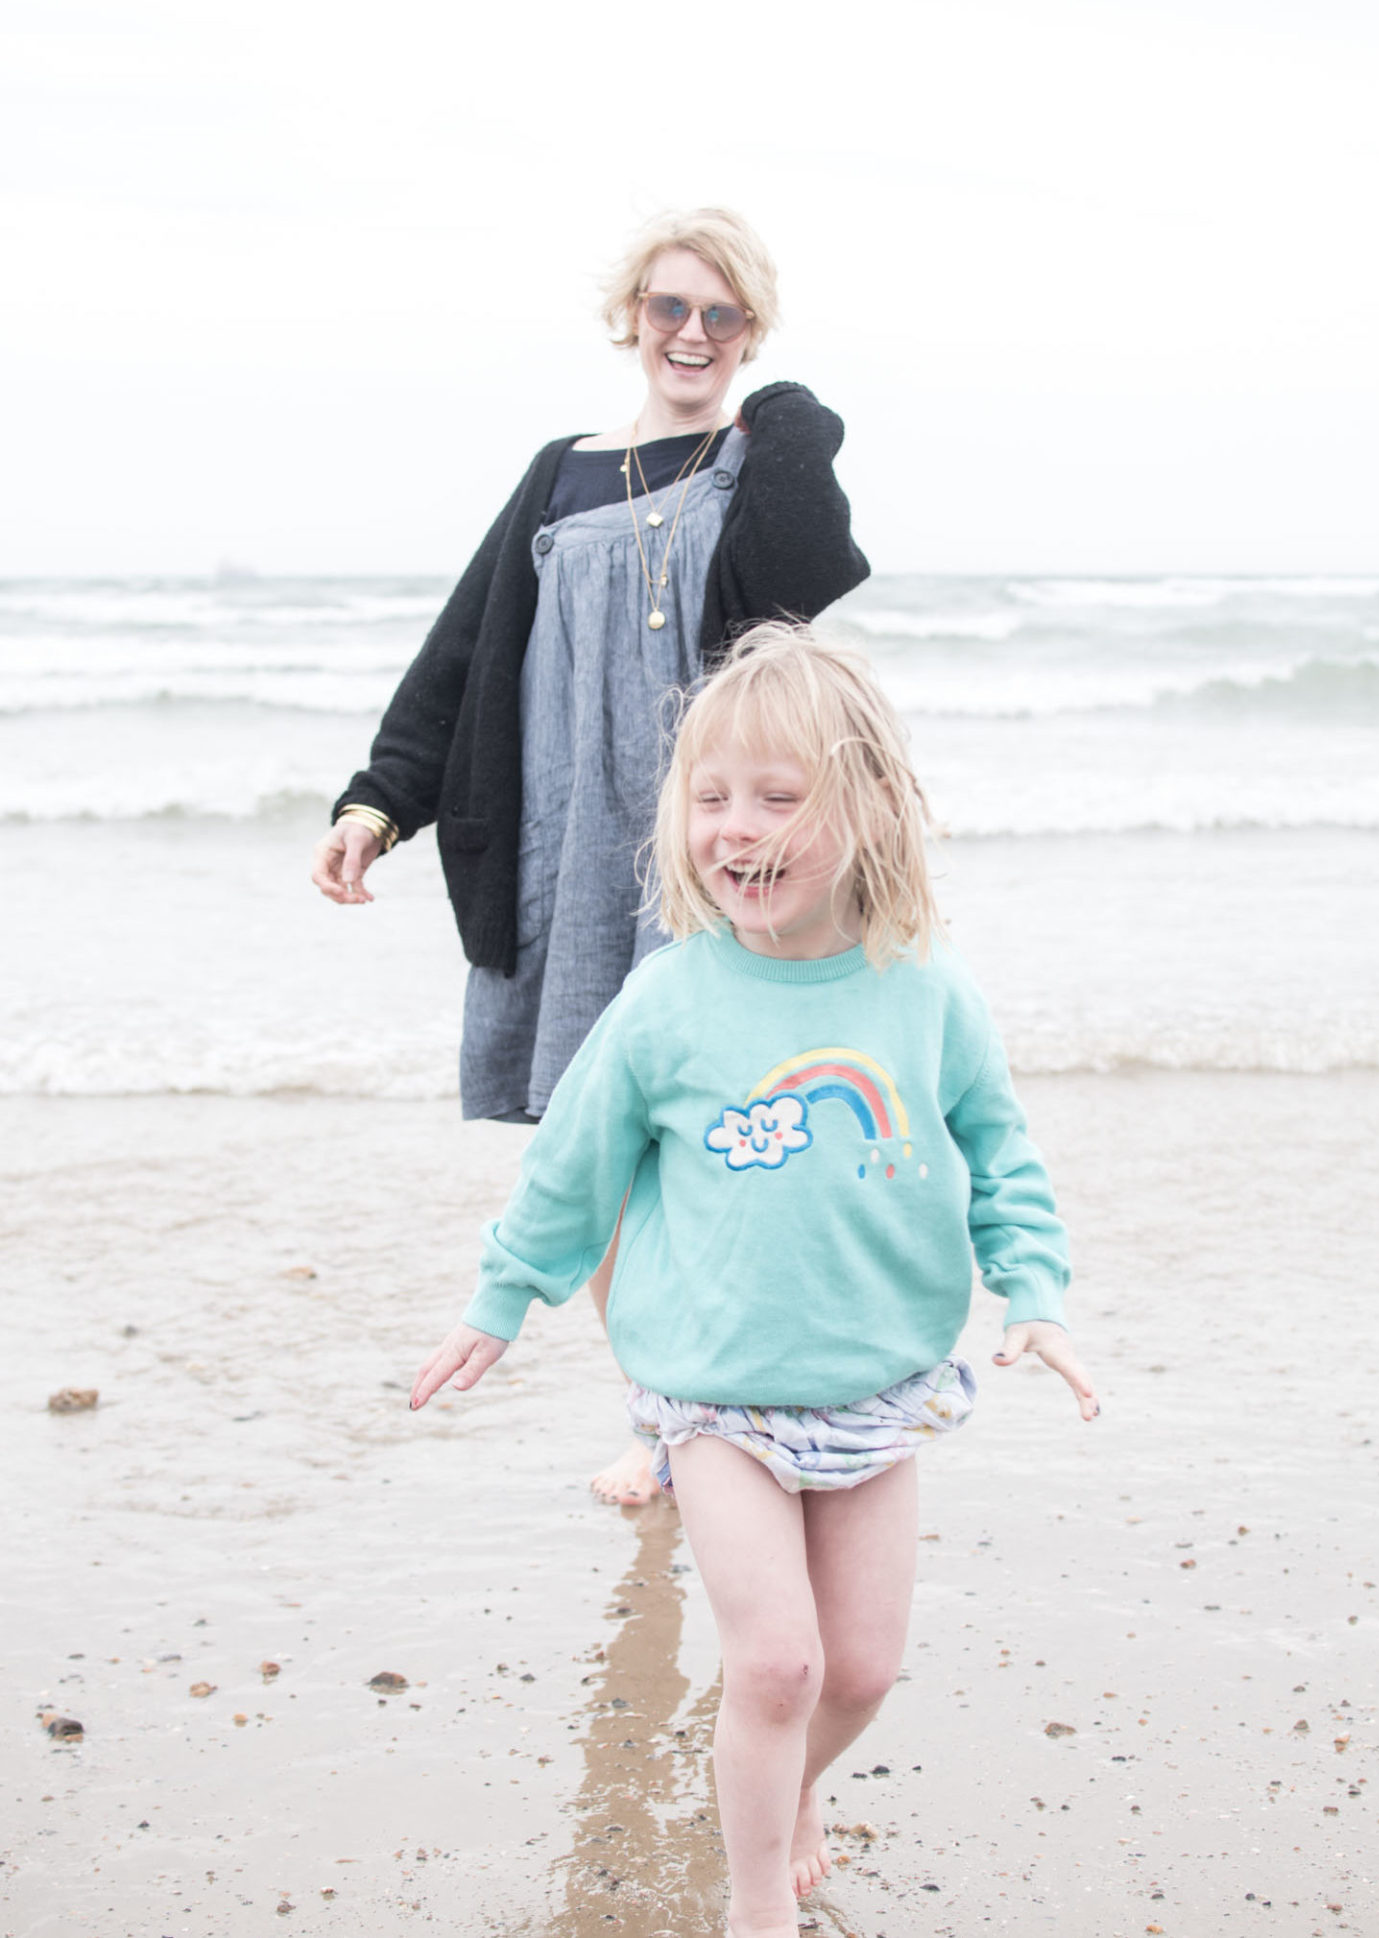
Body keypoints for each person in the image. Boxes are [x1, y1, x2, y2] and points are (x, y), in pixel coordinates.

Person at [410, 623, 1099, 1938]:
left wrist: (1037, 1292)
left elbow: (1003, 1152)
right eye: (712, 797)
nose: (739, 827)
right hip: (716, 1390)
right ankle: (750, 1904)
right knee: (778, 1663)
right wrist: (500, 1300)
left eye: (780, 798)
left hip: (882, 1381)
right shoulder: (668, 1002)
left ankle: (787, 1795)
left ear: (872, 806)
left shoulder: (926, 993)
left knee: (864, 1669)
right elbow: (573, 1168)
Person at [311, 208, 868, 1508]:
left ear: (751, 329)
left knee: (738, 1138)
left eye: (721, 314)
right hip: (574, 860)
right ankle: (666, 1415)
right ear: (632, 316)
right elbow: (463, 654)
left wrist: (785, 414)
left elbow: (806, 576)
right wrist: (375, 805)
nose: (691, 333)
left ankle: (771, 1390)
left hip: (722, 856)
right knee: (607, 1149)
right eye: (670, 308)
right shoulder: (559, 472)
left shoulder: (757, 455)